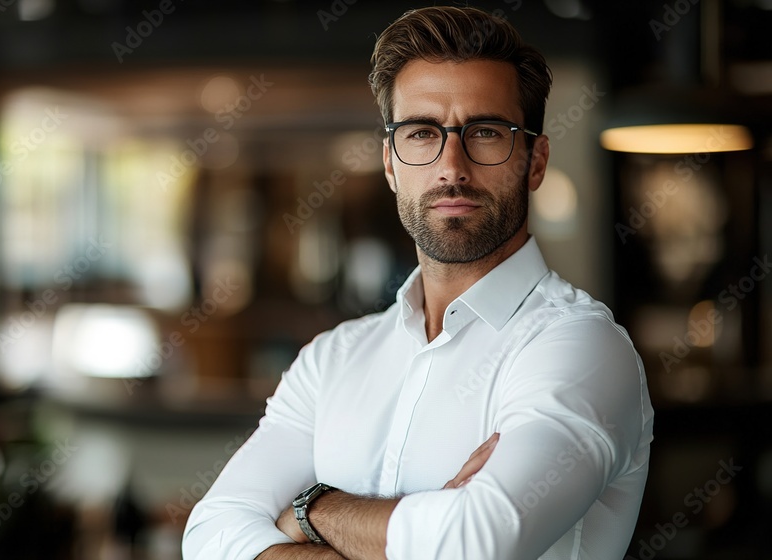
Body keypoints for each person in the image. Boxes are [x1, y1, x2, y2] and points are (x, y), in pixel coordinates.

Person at [182, 6, 653, 559]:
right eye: (422, 133)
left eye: (485, 132)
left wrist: (310, 510)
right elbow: (210, 535)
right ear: (390, 162)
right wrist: (418, 531)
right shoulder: (330, 360)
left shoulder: (581, 347)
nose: (451, 166)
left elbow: (474, 543)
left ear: (535, 161)